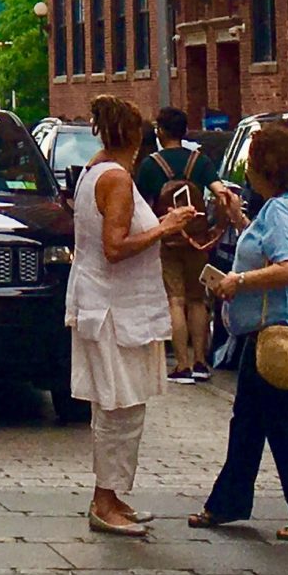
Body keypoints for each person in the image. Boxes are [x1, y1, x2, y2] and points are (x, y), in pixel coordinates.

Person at [189, 118, 288, 542]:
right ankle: (228, 503)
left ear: (264, 168)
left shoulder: (281, 211)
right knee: (250, 421)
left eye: (250, 163)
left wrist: (237, 282)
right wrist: (241, 224)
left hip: (276, 333)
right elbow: (269, 246)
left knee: (285, 427)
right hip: (273, 331)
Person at [67, 95, 195, 537]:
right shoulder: (117, 179)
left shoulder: (94, 170)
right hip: (114, 310)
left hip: (110, 304)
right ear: (137, 139)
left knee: (124, 406)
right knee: (119, 407)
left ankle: (115, 494)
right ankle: (105, 500)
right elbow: (114, 246)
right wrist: (166, 226)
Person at [134, 108, 216, 384]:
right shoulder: (200, 162)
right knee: (198, 299)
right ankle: (201, 362)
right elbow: (220, 192)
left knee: (175, 299)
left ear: (161, 132)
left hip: (168, 238)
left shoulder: (150, 165)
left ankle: (182, 365)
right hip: (197, 239)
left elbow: (142, 206)